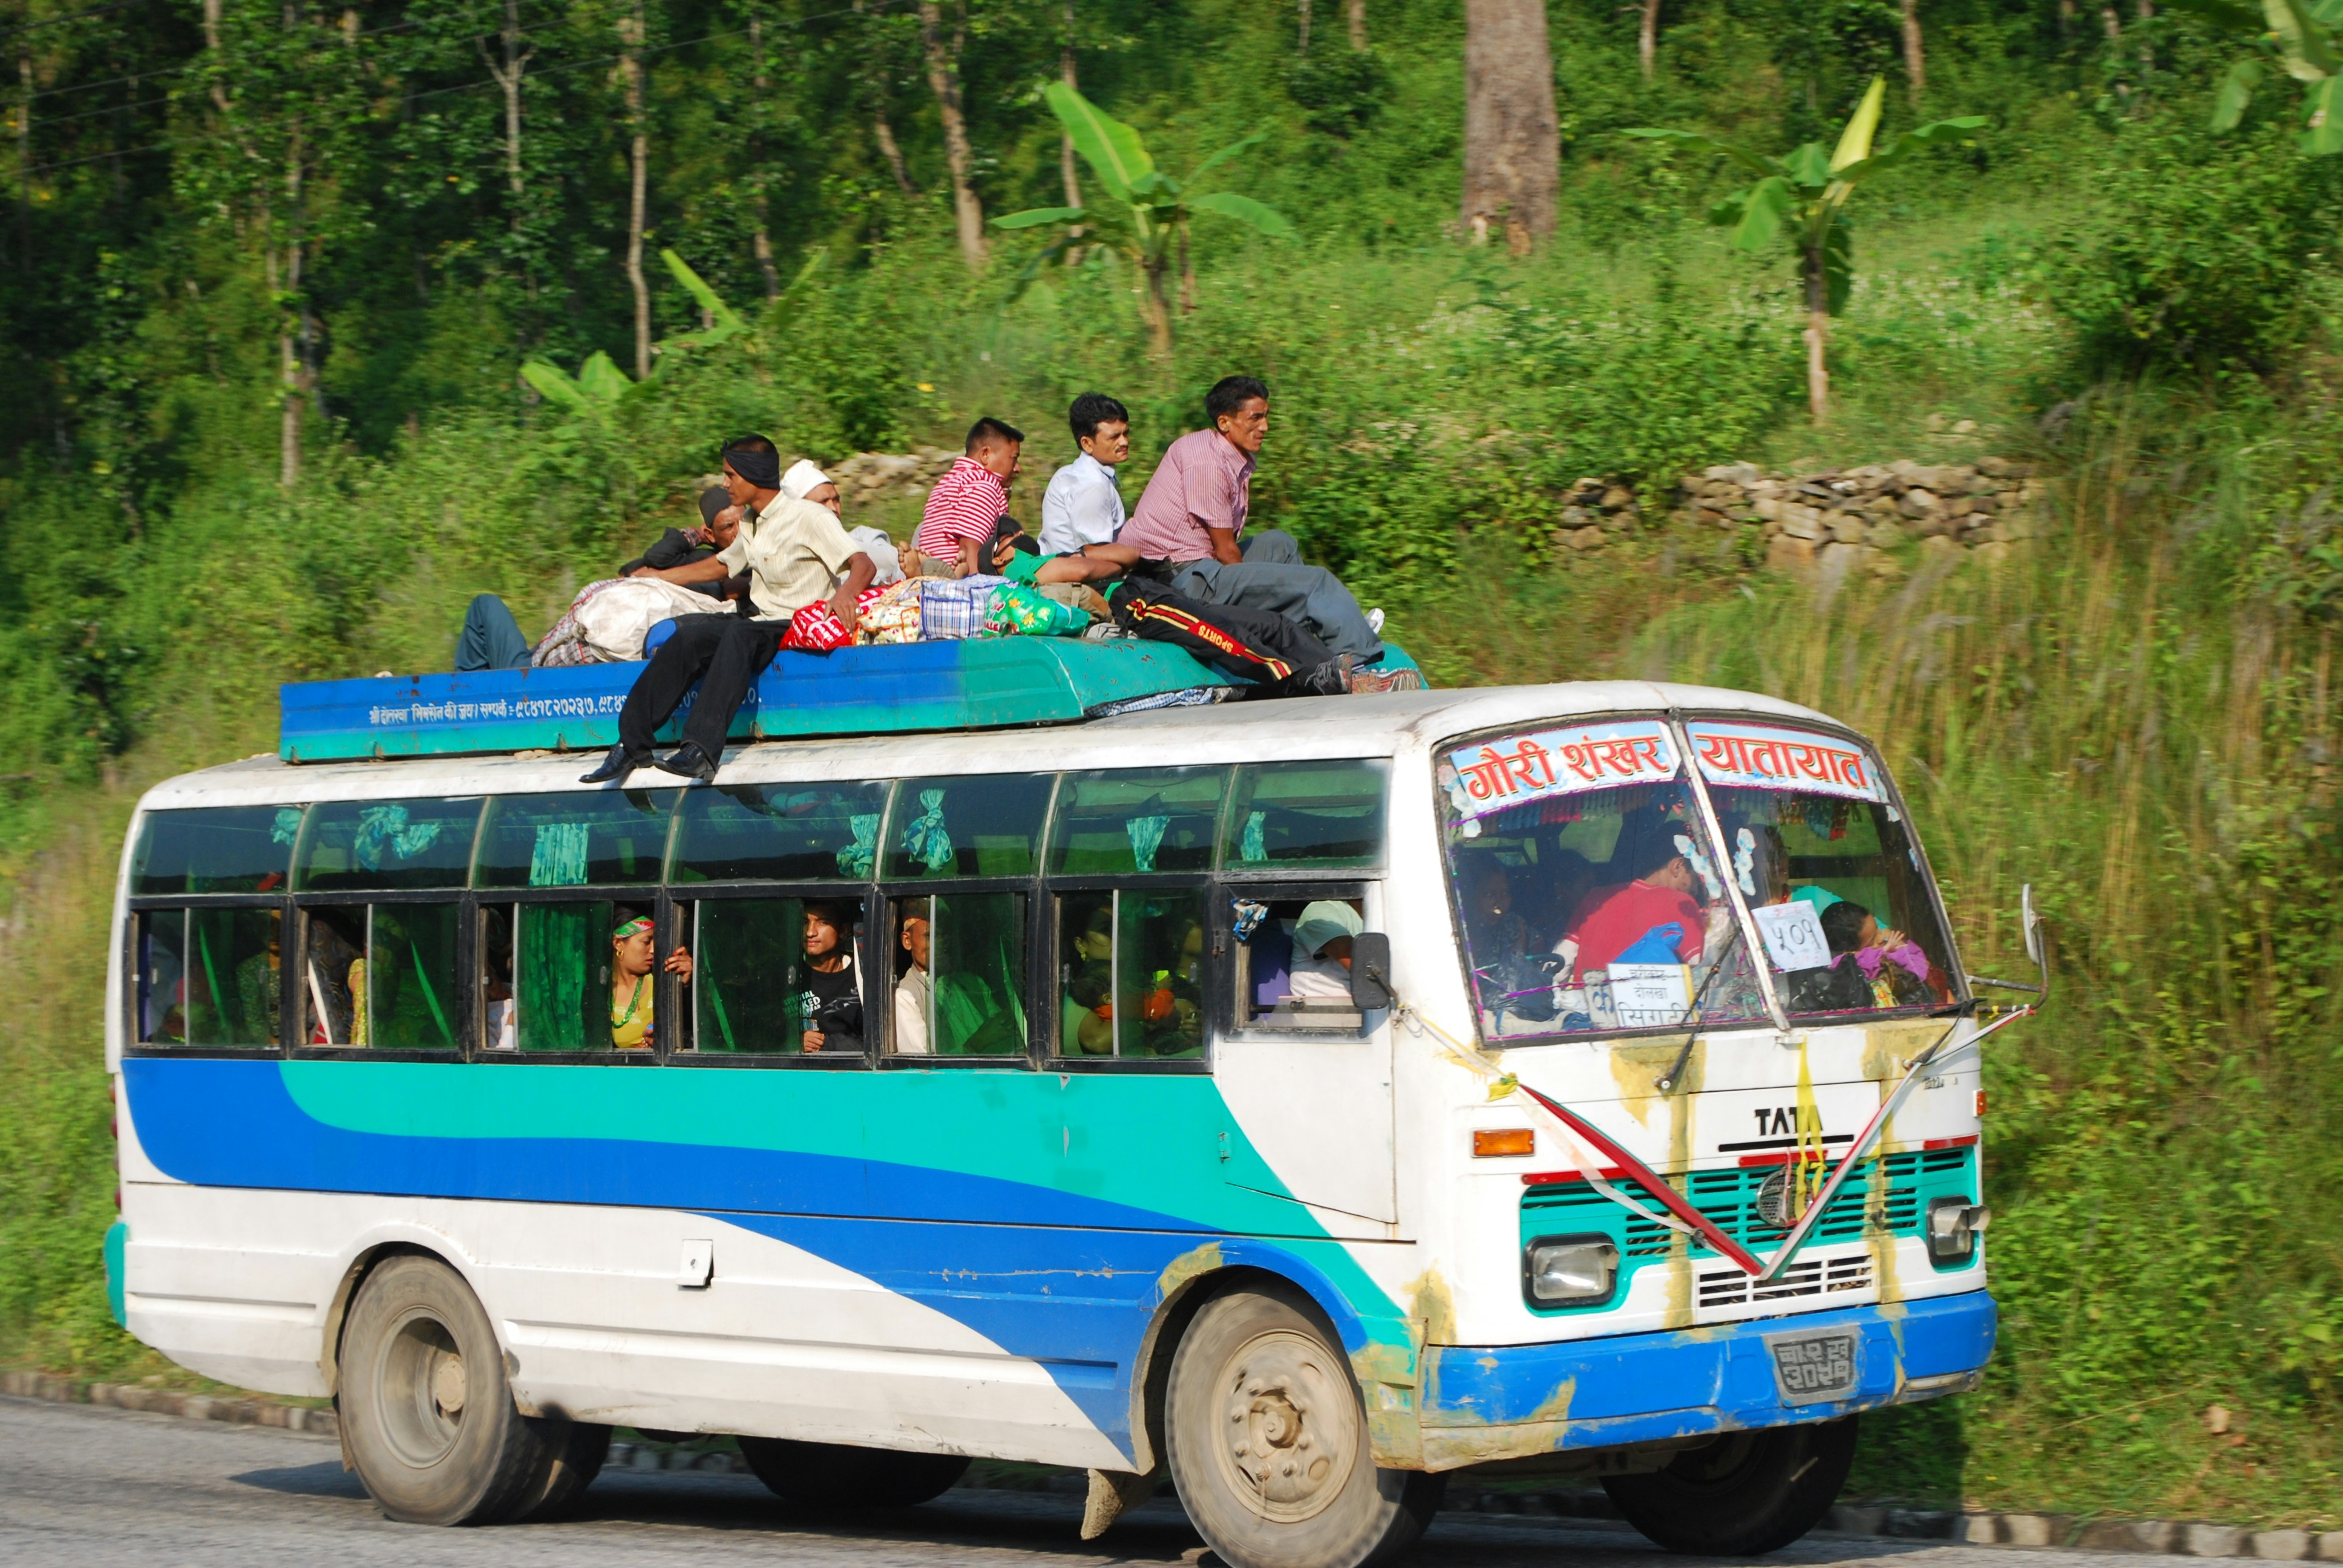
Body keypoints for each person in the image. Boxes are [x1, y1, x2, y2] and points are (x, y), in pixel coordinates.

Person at [578, 436, 876, 786]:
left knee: (738, 632)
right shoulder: (752, 521)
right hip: (759, 623)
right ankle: (632, 743)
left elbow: (863, 563)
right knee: (688, 637)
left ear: (753, 476)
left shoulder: (809, 517)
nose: (725, 484)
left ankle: (701, 752)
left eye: (730, 475)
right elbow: (720, 566)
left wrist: (846, 596)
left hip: (795, 624)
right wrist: (656, 578)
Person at [1117, 376, 1387, 666]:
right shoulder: (1207, 463)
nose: (1265, 427)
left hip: (1198, 565)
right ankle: (1360, 658)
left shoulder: (1217, 449)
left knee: (1280, 545)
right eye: (1255, 418)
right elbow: (1226, 552)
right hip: (1184, 580)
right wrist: (1259, 593)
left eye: (1266, 416)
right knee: (1316, 582)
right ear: (1225, 423)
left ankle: (1307, 640)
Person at [1566, 828, 1708, 976]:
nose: (1697, 888)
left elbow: (1560, 966)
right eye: (1697, 876)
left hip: (1583, 998)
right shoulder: (1682, 904)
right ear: (1678, 867)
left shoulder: (1594, 898)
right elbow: (1704, 972)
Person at [910, 418, 1023, 577]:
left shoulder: (947, 482)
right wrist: (975, 585)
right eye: (1014, 459)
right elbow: (970, 544)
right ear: (985, 455)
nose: (1018, 468)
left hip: (934, 565)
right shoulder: (985, 485)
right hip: (957, 574)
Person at [1040, 393, 1130, 554]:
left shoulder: (1074, 473)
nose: (1124, 442)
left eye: (1125, 433)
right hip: (1078, 576)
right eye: (1114, 437)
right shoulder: (1092, 484)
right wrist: (1135, 555)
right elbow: (1096, 554)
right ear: (1087, 444)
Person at [622, 486, 746, 595]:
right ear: (711, 535)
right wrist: (698, 535)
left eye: (745, 522)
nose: (740, 532)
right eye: (728, 527)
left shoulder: (762, 543)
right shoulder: (705, 558)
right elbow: (657, 557)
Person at [608, 911, 693, 1050]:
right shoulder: (598, 990)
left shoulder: (666, 978)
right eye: (646, 942)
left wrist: (688, 984)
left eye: (655, 942)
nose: (654, 950)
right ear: (618, 944)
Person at [793, 901, 861, 1054]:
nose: (810, 932)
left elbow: (873, 1047)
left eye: (822, 923)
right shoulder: (786, 973)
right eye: (805, 922)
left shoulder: (861, 976)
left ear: (843, 930)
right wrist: (792, 1043)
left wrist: (826, 1044)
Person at [1286, 900, 1362, 1001]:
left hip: (1366, 1006)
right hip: (1321, 1008)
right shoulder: (1321, 910)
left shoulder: (1381, 916)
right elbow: (1361, 965)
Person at [894, 904, 932, 1055]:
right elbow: (922, 1066)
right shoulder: (905, 995)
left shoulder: (971, 983)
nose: (940, 941)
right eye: (929, 935)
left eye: (944, 934)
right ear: (907, 941)